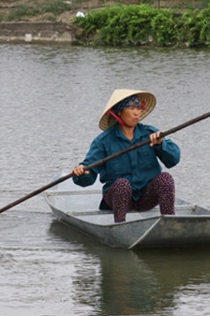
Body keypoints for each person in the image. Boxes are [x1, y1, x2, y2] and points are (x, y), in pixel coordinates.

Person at [71, 89, 181, 223]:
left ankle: (170, 223)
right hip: (117, 198)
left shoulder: (150, 133)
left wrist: (160, 144)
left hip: (145, 198)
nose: (136, 112)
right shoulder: (103, 141)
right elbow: (88, 175)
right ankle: (120, 226)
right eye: (131, 108)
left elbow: (174, 159)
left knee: (166, 178)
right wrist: (81, 171)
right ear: (119, 112)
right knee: (122, 185)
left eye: (139, 108)